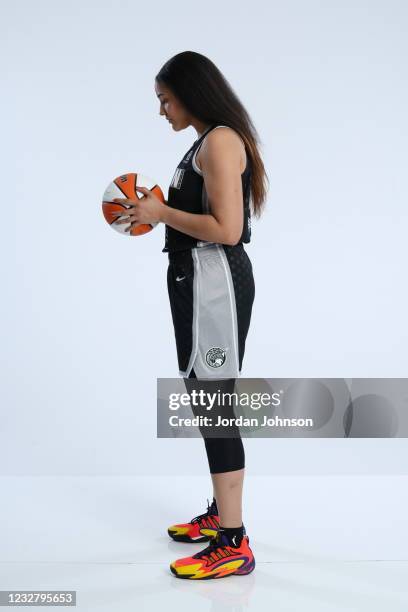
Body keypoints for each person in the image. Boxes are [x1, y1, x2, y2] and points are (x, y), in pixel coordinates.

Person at [113, 51, 268, 579]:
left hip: (214, 280)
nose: (162, 111)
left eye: (165, 99)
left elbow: (226, 229)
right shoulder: (202, 144)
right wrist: (159, 210)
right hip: (196, 280)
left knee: (215, 399)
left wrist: (159, 212)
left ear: (190, 92)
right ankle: (219, 516)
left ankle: (234, 541)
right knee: (205, 393)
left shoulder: (221, 141)